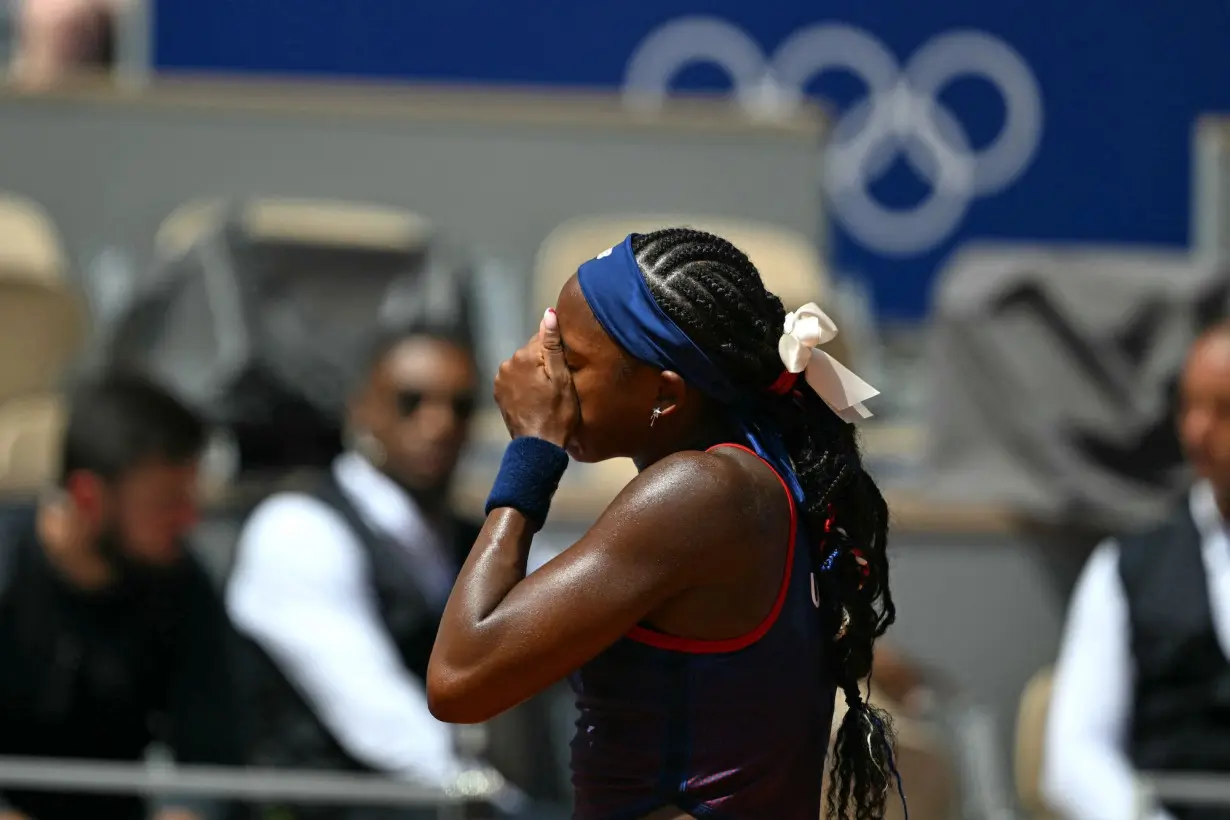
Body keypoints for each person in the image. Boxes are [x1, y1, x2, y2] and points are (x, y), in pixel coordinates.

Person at [428, 228, 901, 820]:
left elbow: (460, 678)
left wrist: (533, 448)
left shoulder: (698, 493)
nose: (541, 375)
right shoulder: (750, 479)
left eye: (568, 360)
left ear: (664, 397)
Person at [226, 323, 483, 814]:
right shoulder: (297, 528)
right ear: (361, 409)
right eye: (411, 402)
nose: (439, 424)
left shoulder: (477, 537)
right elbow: (379, 722)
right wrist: (497, 796)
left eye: (460, 406)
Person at [0, 372, 241, 820]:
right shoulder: (8, 567)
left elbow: (211, 751)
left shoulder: (180, 584)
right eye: (166, 502)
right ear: (88, 496)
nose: (187, 519)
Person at [1042, 321, 1230, 820]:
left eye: (1224, 410)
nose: (1197, 430)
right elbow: (1075, 757)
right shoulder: (1124, 569)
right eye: (1189, 406)